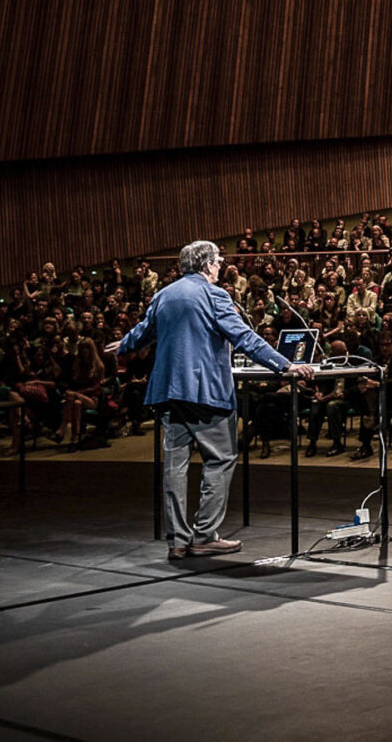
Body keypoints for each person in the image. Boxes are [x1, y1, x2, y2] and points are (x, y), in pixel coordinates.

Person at [107, 240, 314, 561]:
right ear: (206, 265)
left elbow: (144, 332)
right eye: (217, 261)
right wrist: (285, 364)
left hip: (168, 393)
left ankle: (176, 541)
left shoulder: (165, 294)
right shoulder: (215, 295)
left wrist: (123, 345)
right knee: (220, 459)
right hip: (204, 394)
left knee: (174, 468)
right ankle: (204, 535)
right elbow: (244, 337)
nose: (219, 267)